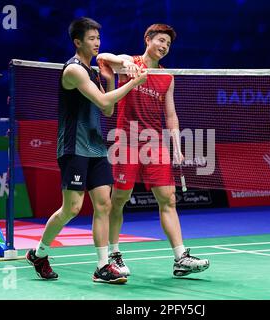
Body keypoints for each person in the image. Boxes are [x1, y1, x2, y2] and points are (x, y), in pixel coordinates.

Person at [26, 17, 147, 284]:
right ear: (77, 41)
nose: (96, 43)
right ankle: (39, 253)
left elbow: (107, 109)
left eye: (98, 38)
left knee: (103, 204)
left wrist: (111, 78)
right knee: (71, 208)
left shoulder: (92, 72)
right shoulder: (74, 71)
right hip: (73, 148)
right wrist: (132, 84)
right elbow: (104, 100)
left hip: (95, 147)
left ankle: (102, 267)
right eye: (91, 39)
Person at [97, 24, 210, 278]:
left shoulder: (167, 77)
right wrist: (123, 64)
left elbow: (170, 114)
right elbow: (102, 58)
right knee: (119, 201)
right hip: (126, 142)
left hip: (155, 143)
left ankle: (181, 257)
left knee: (168, 199)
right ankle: (114, 254)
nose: (164, 46)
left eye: (168, 44)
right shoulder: (130, 63)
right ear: (147, 39)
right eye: (160, 40)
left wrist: (177, 146)